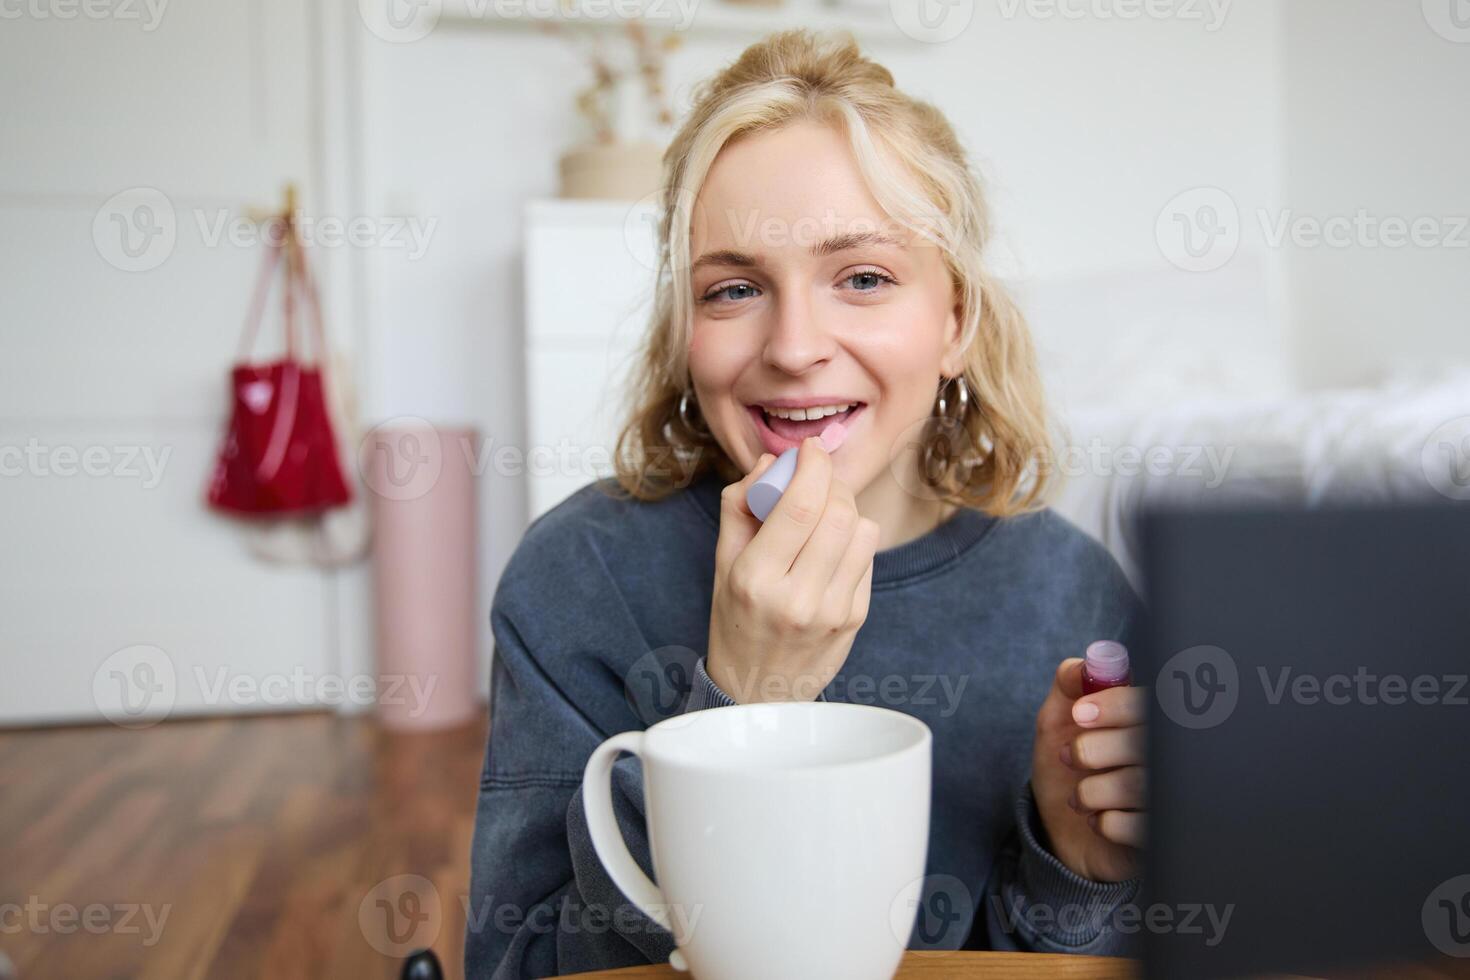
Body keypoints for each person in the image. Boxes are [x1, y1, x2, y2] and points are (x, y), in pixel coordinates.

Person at [465, 28, 1147, 979]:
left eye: (863, 278)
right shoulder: (577, 578)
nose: (793, 346)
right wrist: (743, 709)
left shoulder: (1072, 596)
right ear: (685, 330)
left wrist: (1076, 866)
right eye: (735, 288)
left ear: (955, 319)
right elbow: (520, 964)